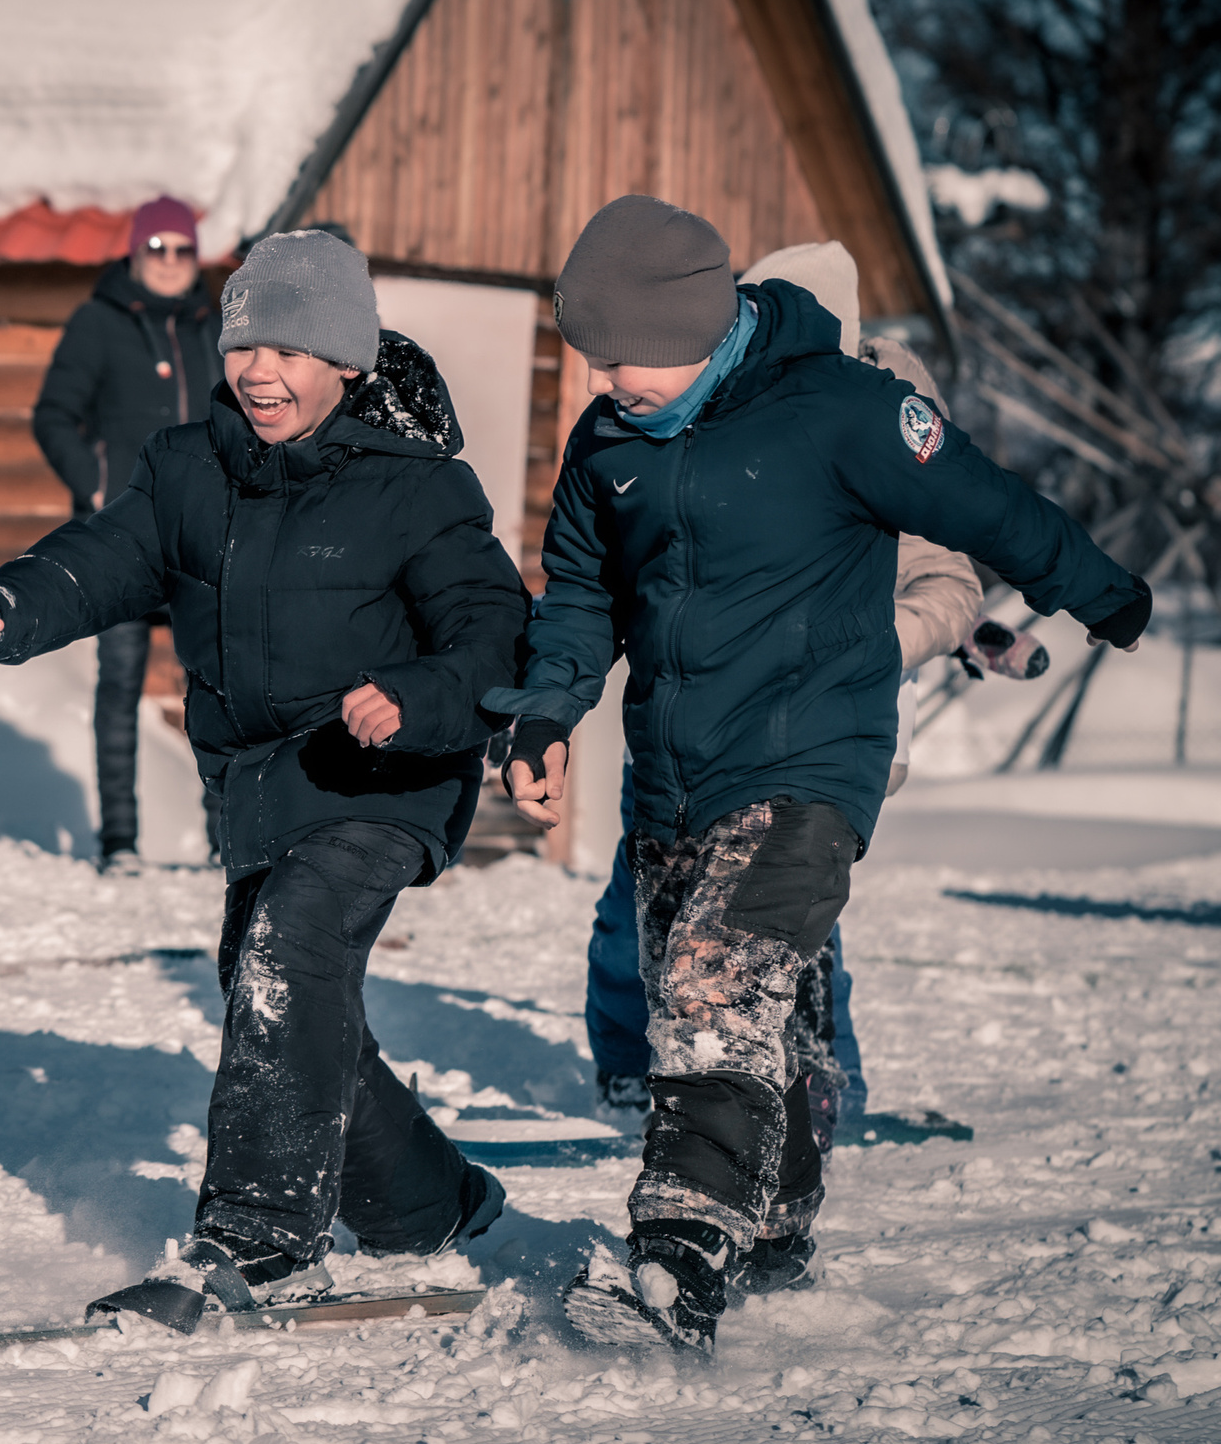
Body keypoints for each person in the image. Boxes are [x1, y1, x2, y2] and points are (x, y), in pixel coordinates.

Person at [490, 195, 1150, 1353]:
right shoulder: (607, 448)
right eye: (591, 356)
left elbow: (988, 506)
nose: (606, 378)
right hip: (673, 775)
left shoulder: (842, 410)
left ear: (694, 324)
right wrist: (545, 712)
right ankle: (776, 1219)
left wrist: (1107, 593)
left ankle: (677, 1253)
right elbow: (584, 600)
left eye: (623, 354)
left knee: (712, 981)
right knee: (753, 1007)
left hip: (809, 756)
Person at [0, 231, 529, 1330]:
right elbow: (99, 562)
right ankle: (424, 1202)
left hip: (386, 772)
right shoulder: (186, 467)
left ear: (347, 361)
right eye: (245, 341)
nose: (259, 369)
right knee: (273, 991)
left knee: (287, 955)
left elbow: (490, 632)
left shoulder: (418, 487)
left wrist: (415, 693)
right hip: (259, 784)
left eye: (292, 348)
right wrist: (6, 602)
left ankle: (257, 1241)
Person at [582, 244, 988, 1149]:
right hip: (684, 718)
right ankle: (633, 1059)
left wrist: (860, 645)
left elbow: (947, 581)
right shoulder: (703, 410)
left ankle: (808, 1086)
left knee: (786, 917)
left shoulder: (872, 426)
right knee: (638, 900)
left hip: (810, 727)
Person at [30, 195, 223, 871]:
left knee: (215, 682)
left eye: (182, 250)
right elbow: (54, 416)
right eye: (157, 249)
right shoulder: (98, 322)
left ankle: (223, 839)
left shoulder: (216, 325)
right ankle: (120, 840)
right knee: (119, 683)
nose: (169, 263)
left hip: (201, 538)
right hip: (122, 540)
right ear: (136, 253)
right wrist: (99, 488)